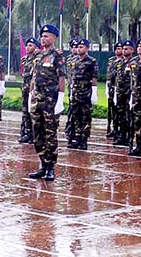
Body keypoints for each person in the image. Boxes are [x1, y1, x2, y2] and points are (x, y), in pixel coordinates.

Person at [27, 24, 66, 181]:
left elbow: (62, 78)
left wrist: (61, 99)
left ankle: (50, 167)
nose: (44, 39)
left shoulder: (58, 55)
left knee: (50, 134)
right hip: (38, 99)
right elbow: (34, 76)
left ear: (54, 38)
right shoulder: (38, 55)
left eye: (47, 36)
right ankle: (43, 164)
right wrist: (31, 95)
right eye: (42, 36)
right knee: (38, 133)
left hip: (51, 101)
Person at [67, 39, 98, 150]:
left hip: (86, 93)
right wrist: (71, 91)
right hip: (75, 92)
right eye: (78, 47)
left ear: (87, 48)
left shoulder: (91, 61)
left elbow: (94, 78)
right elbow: (72, 78)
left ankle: (84, 140)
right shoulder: (74, 60)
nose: (79, 49)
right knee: (76, 116)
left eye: (81, 47)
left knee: (85, 117)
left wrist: (94, 93)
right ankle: (78, 137)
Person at [113, 40, 134, 147]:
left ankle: (129, 137)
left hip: (129, 94)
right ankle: (121, 135)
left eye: (127, 48)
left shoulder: (134, 63)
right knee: (120, 115)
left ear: (132, 50)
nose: (124, 50)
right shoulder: (119, 63)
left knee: (129, 116)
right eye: (123, 49)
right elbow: (116, 78)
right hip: (120, 93)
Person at [19, 37, 39, 143]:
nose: (27, 47)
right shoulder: (24, 59)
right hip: (25, 88)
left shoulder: (38, 59)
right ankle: (27, 132)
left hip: (34, 89)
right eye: (27, 45)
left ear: (36, 47)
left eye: (30, 45)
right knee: (25, 111)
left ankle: (34, 134)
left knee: (33, 112)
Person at [105, 42, 123, 138]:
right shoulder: (111, 60)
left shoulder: (124, 62)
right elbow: (109, 74)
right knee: (111, 110)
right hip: (111, 88)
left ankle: (120, 130)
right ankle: (114, 128)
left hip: (120, 89)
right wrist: (107, 88)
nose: (118, 50)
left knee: (119, 111)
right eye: (116, 48)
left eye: (120, 48)